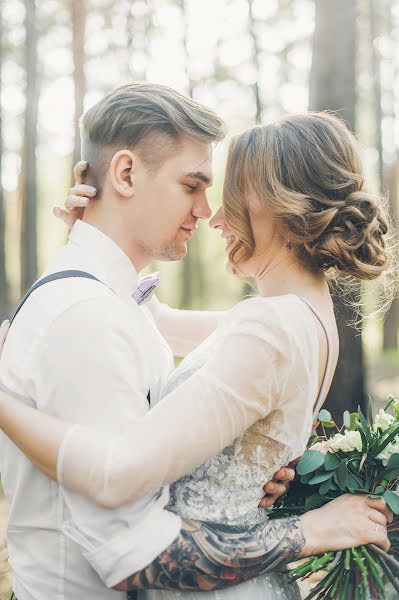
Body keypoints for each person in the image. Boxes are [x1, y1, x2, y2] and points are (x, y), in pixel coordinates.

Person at [0, 93, 394, 600]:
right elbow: (163, 325)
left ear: (281, 207)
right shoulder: (302, 320)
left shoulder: (270, 328)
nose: (212, 215)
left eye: (228, 196)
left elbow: (116, 474)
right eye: (195, 186)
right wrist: (94, 243)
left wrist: (306, 530)